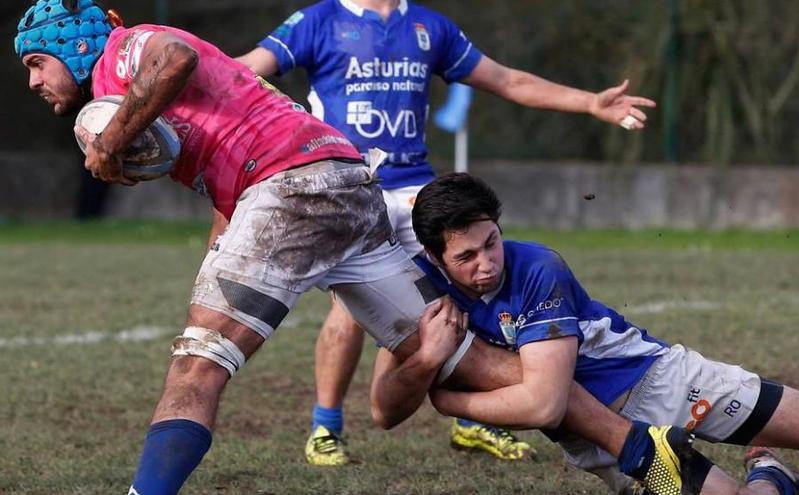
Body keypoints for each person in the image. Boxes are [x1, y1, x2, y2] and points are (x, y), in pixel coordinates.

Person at [17, 2, 694, 494]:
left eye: (36, 63)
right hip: (347, 184)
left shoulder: (124, 48)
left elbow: (177, 59)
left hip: (292, 190)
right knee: (461, 356)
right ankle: (648, 453)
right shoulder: (277, 38)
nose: (32, 82)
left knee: (198, 368)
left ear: (75, 44)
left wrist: (109, 139)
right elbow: (229, 111)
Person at [236, 0, 657, 465]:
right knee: (352, 308)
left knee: (461, 293)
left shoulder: (428, 27)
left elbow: (507, 80)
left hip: (416, 191)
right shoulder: (319, 20)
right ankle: (326, 426)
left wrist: (590, 102)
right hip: (350, 186)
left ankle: (473, 422)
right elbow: (244, 74)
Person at [371, 172, 799, 494]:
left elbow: (544, 404)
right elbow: (384, 411)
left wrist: (445, 400)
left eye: (492, 243)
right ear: (435, 258)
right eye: (467, 257)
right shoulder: (420, 296)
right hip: (606, 446)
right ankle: (772, 475)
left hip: (659, 382)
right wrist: (423, 360)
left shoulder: (538, 268)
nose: (487, 264)